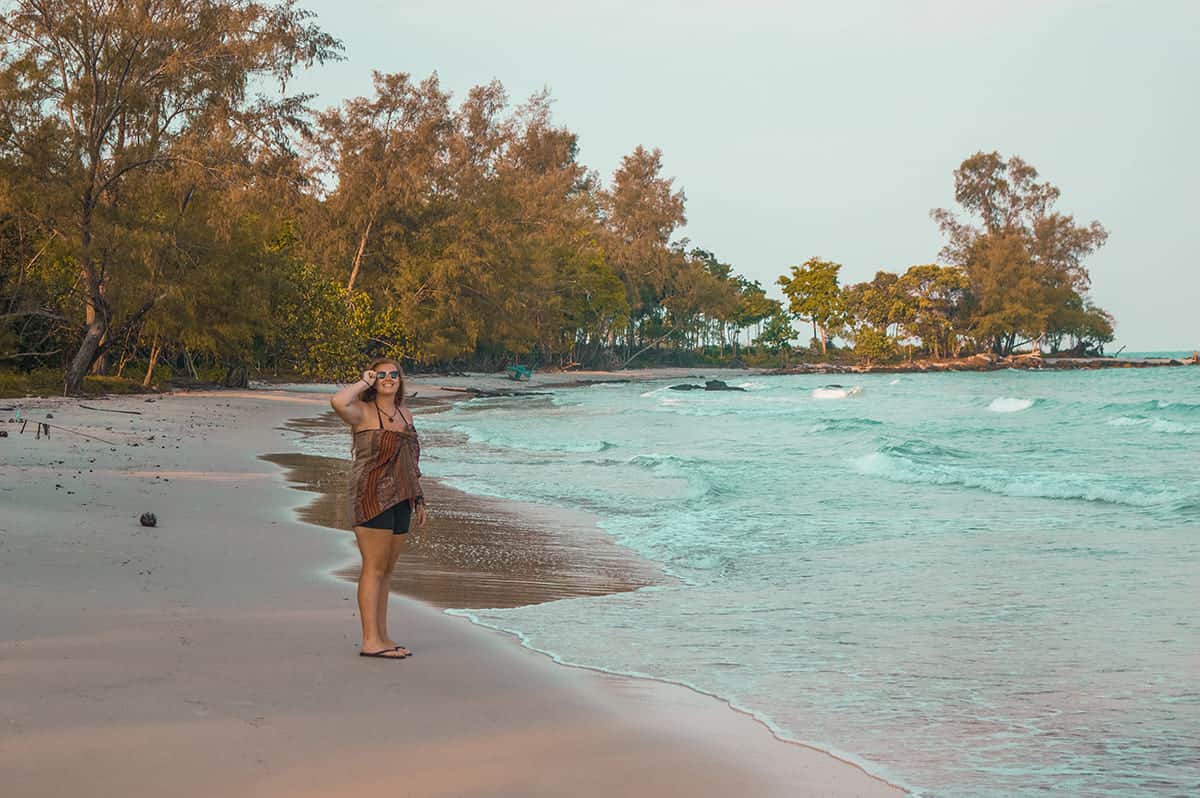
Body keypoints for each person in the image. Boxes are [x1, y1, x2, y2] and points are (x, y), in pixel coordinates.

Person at [330, 358, 427, 659]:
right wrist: (364, 381)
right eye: (381, 374)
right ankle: (370, 641)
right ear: (373, 378)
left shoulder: (405, 413)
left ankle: (383, 637)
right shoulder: (362, 411)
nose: (388, 378)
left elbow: (410, 460)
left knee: (386, 571)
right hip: (371, 495)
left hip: (402, 496)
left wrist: (419, 499)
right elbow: (337, 401)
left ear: (400, 379)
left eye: (393, 374)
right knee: (373, 568)